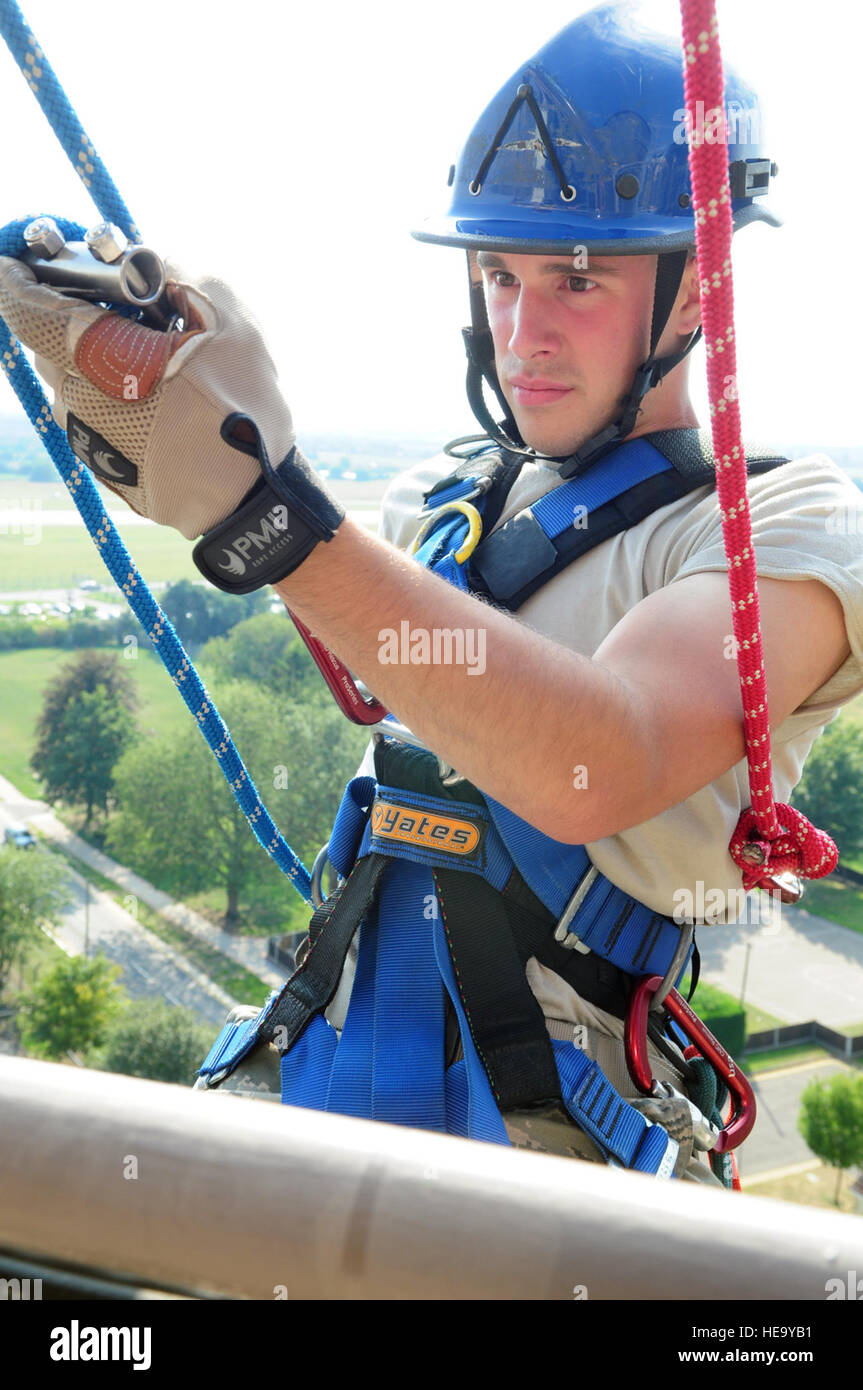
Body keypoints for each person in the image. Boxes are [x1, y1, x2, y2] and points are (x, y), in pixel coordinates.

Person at [1, 2, 861, 1184]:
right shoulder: (441, 501)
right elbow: (366, 634)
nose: (522, 330)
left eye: (573, 278)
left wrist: (278, 520)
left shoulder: (779, 523)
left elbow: (598, 762)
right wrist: (176, 395)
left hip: (545, 1152)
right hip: (324, 1071)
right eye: (497, 275)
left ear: (698, 292)